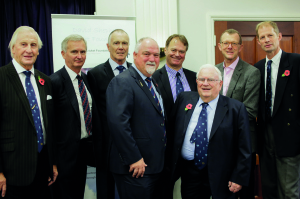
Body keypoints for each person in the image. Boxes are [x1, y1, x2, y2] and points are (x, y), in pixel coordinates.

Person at [170, 64, 252, 199]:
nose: (205, 84)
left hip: (222, 173)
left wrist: (239, 176)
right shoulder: (184, 100)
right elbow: (173, 130)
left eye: (211, 80)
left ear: (220, 84)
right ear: (196, 82)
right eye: (201, 79)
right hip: (190, 173)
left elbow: (244, 147)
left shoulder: (235, 108)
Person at [0, 26, 57, 199]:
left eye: (33, 45)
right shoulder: (1, 77)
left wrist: (52, 163)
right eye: (23, 44)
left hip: (42, 170)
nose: (29, 50)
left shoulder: (45, 80)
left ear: (38, 51)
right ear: (13, 48)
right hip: (11, 172)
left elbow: (49, 125)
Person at [106, 37, 165, 199]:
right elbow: (118, 124)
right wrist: (134, 158)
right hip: (135, 167)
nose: (152, 59)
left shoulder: (152, 82)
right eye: (147, 54)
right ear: (135, 55)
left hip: (152, 165)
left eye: (155, 55)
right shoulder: (123, 82)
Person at [50, 34, 101, 199]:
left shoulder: (86, 78)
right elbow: (50, 125)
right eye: (74, 52)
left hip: (83, 153)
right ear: (63, 54)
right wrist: (52, 162)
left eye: (83, 51)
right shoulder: (54, 82)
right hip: (63, 158)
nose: (79, 56)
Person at [254, 21, 300, 199]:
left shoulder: (295, 61)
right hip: (265, 138)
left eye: (270, 35)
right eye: (262, 37)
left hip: (290, 136)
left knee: (289, 192)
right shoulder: (257, 68)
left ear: (279, 36)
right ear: (258, 41)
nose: (266, 40)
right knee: (269, 188)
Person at [216, 29, 260, 199]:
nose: (230, 46)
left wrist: (217, 120)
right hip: (219, 144)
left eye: (234, 43)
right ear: (219, 46)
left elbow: (249, 111)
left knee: (242, 192)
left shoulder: (251, 73)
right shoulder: (213, 71)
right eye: (226, 43)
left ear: (240, 47)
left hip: (242, 143)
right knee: (221, 190)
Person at [87, 29, 131, 198]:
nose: (120, 47)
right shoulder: (95, 74)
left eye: (124, 43)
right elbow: (94, 113)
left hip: (131, 145)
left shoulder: (136, 72)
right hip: (106, 146)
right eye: (116, 43)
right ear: (108, 46)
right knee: (106, 191)